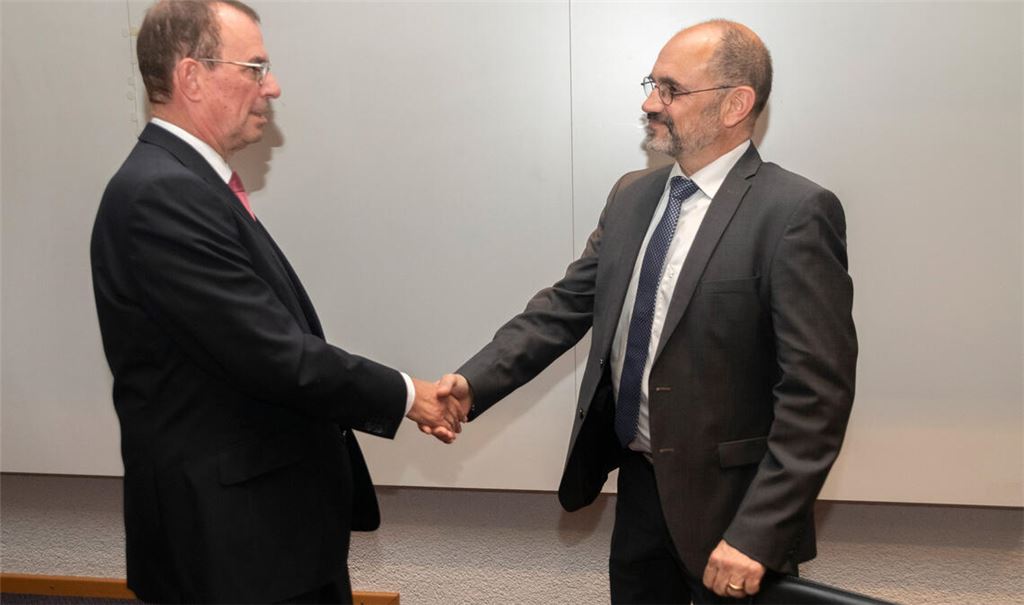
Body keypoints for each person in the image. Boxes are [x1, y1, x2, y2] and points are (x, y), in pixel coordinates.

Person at [432, 19, 857, 604]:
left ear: (736, 104)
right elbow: (562, 309)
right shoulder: (632, 196)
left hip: (734, 516)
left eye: (670, 90)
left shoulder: (795, 212)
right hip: (641, 493)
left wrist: (757, 534)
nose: (649, 103)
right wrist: (470, 383)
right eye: (651, 84)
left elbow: (818, 396)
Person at [90, 1, 465, 603]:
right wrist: (409, 395)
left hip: (265, 537)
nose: (275, 86)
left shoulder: (186, 184)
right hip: (234, 550)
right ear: (191, 77)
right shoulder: (163, 194)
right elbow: (273, 354)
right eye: (256, 68)